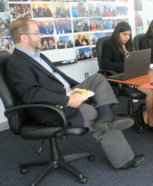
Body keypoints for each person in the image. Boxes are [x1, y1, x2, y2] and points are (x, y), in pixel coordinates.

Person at [6, 18, 145, 170]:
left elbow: (58, 78)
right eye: (37, 33)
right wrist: (67, 100)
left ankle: (106, 116)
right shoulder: (17, 63)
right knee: (93, 113)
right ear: (23, 36)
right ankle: (123, 160)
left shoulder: (37, 56)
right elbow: (31, 94)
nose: (41, 36)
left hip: (66, 93)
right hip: (52, 107)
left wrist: (80, 89)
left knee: (98, 78)